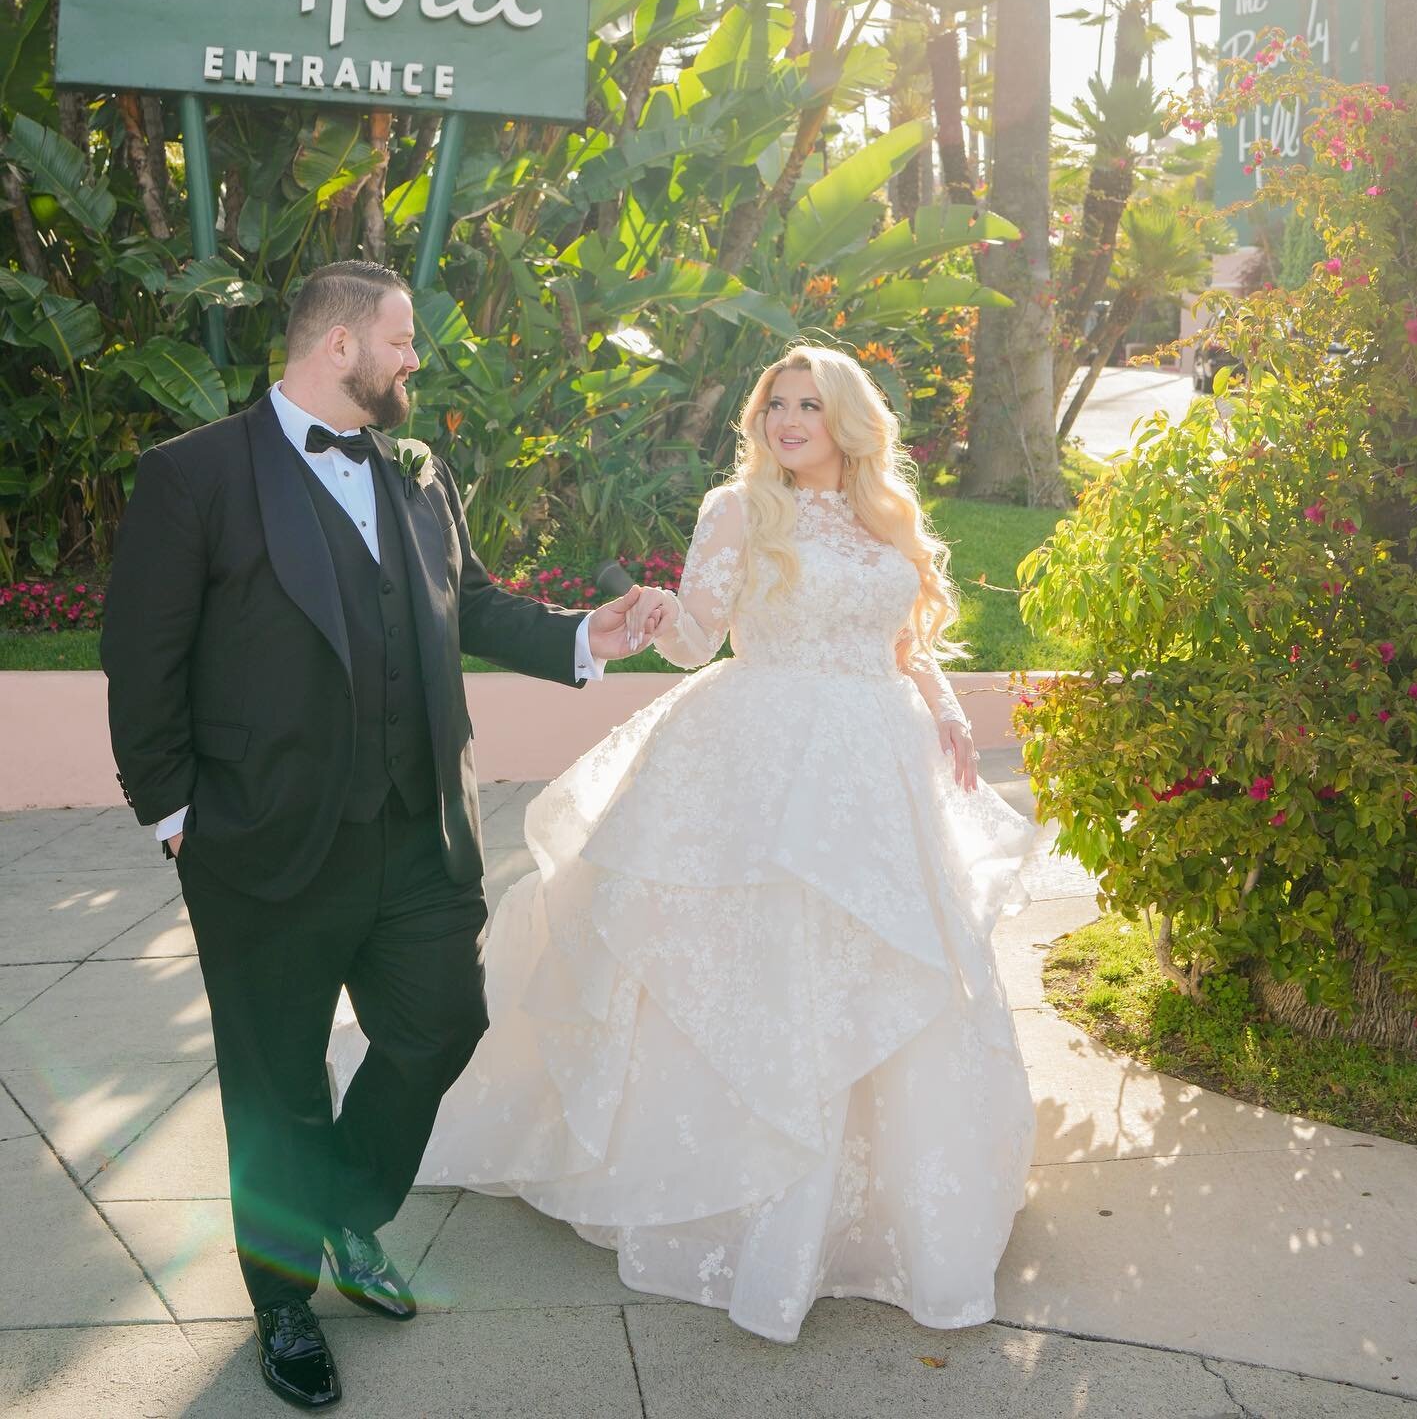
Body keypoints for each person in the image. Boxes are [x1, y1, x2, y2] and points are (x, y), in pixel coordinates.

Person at [331, 342, 1038, 1344]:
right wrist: (662, 614)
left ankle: (877, 1205)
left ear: (847, 417)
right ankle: (748, 1190)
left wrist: (948, 714)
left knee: (883, 965)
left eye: (807, 403)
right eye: (774, 404)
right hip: (760, 757)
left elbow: (903, 643)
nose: (787, 420)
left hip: (879, 766)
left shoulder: (887, 513)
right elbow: (700, 639)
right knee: (765, 964)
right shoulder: (739, 510)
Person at [101, 261, 666, 1410]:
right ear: (341, 345)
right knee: (276, 1082)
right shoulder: (194, 476)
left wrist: (581, 635)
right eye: (403, 341)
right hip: (263, 844)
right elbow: (140, 657)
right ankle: (282, 1302)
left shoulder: (417, 471)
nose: (417, 360)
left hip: (418, 835)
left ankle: (348, 1210)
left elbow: (473, 602)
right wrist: (175, 819)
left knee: (441, 1025)